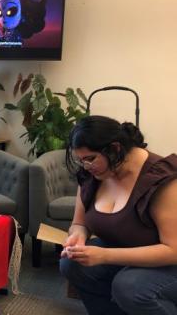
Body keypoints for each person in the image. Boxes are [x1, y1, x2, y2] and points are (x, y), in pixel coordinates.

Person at [60, 115, 177, 315]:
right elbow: (79, 223)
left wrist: (105, 256)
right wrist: (77, 236)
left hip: (168, 263)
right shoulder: (92, 174)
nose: (86, 166)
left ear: (115, 149)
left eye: (90, 159)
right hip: (125, 252)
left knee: (129, 287)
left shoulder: (161, 180)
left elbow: (173, 250)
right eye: (81, 160)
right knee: (72, 263)